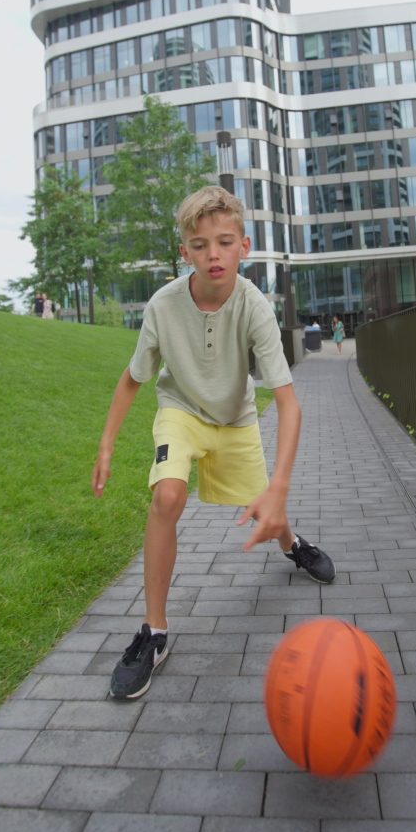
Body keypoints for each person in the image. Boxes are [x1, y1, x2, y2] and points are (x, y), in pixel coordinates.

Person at [91, 186, 336, 700]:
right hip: (180, 413)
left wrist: (280, 489)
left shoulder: (254, 308)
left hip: (237, 421)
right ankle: (154, 633)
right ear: (185, 253)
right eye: (200, 245)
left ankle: (292, 545)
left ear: (243, 246)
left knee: (265, 505)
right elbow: (133, 378)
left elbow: (289, 404)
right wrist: (107, 444)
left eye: (225, 242)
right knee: (166, 497)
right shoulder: (163, 305)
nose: (213, 254)